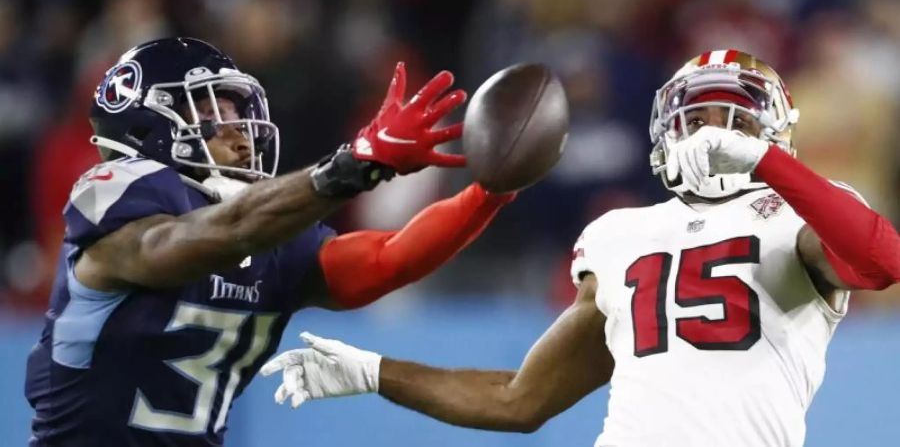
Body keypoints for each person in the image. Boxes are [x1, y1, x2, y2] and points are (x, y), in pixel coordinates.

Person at [261, 50, 900, 447]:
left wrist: (763, 165)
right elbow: (519, 399)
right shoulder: (619, 235)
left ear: (774, 135)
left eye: (737, 118)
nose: (714, 133)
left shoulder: (804, 210)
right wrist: (374, 372)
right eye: (697, 117)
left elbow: (882, 263)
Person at [24, 37, 515, 447]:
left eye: (240, 112)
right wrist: (354, 165)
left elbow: (386, 261)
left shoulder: (267, 225)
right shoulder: (122, 192)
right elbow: (182, 245)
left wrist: (490, 192)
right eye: (215, 111)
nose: (242, 133)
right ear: (148, 120)